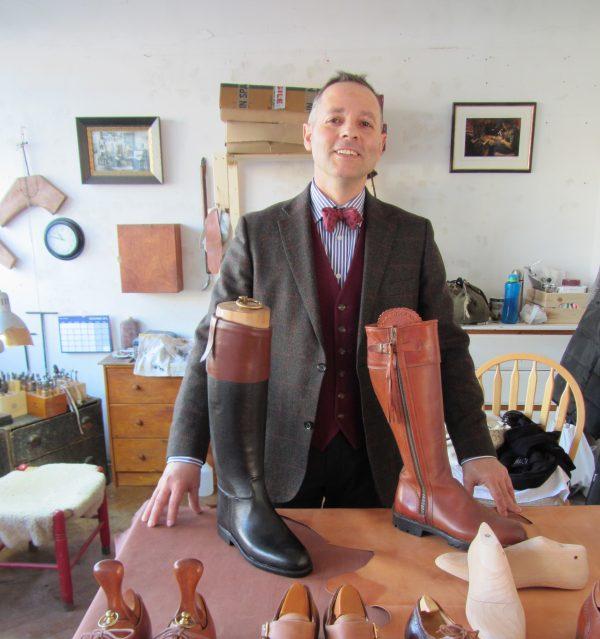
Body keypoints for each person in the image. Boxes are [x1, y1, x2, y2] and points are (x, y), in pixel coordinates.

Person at [142, 71, 519, 528]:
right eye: (334, 119)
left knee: (378, 585)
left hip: (381, 459)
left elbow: (450, 349)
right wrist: (186, 453)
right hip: (278, 454)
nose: (349, 132)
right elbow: (213, 348)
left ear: (382, 141)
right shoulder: (258, 233)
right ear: (307, 136)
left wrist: (475, 447)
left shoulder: (413, 235)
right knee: (282, 589)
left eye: (364, 123)